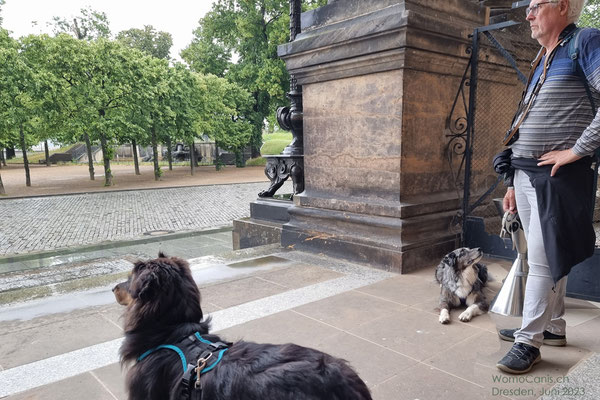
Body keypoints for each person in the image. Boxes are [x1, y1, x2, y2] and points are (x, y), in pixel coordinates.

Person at [495, 0, 600, 374]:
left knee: (539, 257)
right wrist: (511, 180)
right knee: (546, 254)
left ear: (563, 6)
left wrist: (576, 150)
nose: (527, 14)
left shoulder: (585, 41)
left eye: (534, 5)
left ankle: (529, 341)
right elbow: (526, 120)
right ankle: (553, 327)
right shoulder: (543, 57)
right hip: (526, 173)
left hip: (557, 176)